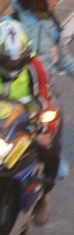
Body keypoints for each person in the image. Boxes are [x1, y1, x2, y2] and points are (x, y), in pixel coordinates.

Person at [0, 18, 63, 221]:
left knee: (50, 151)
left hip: (28, 122)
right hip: (1, 123)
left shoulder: (35, 67)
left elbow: (45, 103)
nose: (13, 64)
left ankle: (45, 195)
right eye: (8, 61)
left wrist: (41, 132)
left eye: (18, 60)